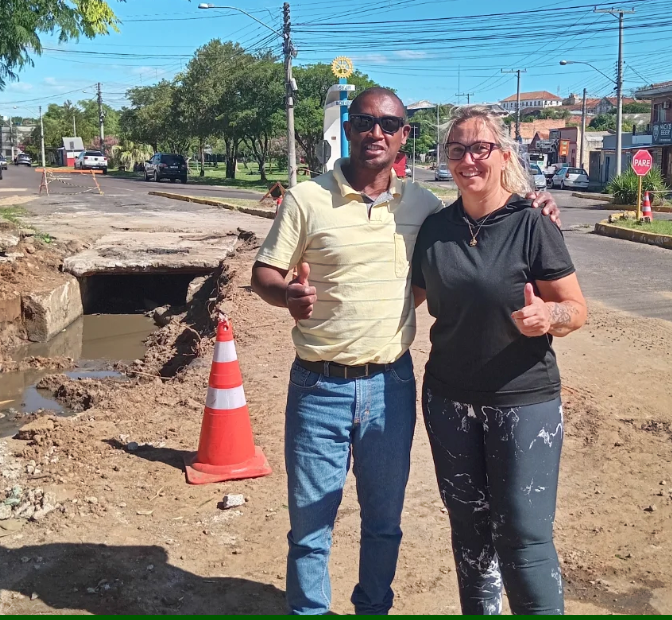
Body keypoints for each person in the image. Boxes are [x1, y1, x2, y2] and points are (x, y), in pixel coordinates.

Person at [250, 88, 561, 616]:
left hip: (389, 385)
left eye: (389, 124)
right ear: (347, 128)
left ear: (403, 137)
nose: (377, 132)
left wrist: (534, 203)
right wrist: (286, 295)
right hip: (317, 386)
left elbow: (473, 223)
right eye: (366, 121)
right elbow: (263, 273)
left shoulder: (422, 207)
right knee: (310, 524)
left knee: (384, 522)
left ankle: (374, 608)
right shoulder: (306, 198)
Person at [411, 104, 587, 615]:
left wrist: (547, 317)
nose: (469, 159)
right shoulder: (436, 228)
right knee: (469, 534)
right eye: (458, 149)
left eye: (480, 148)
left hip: (522, 399)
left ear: (502, 155)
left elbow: (576, 310)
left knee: (524, 536)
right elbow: (406, 297)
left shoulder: (532, 222)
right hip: (448, 401)